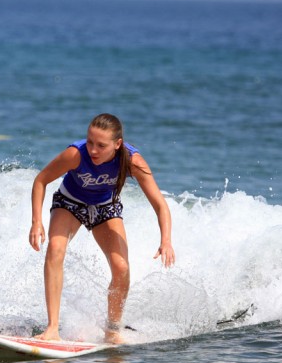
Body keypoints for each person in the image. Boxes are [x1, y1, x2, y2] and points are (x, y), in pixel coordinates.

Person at [28, 113, 175, 344]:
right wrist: (37, 221)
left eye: (101, 145)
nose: (93, 150)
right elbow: (41, 180)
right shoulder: (75, 154)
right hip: (70, 203)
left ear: (117, 145)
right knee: (55, 250)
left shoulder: (133, 161)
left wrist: (166, 240)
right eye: (90, 142)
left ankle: (112, 330)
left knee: (121, 268)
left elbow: (160, 204)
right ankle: (52, 329)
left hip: (106, 207)